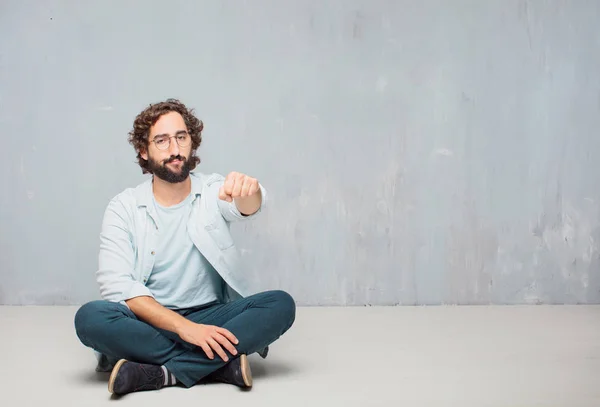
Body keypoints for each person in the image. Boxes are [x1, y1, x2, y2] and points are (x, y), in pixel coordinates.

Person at [74, 99, 296, 396]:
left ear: (192, 142)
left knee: (280, 304)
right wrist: (183, 328)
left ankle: (161, 373)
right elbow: (118, 286)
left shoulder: (212, 190)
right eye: (162, 141)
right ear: (144, 150)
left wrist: (250, 191)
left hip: (212, 316)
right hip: (150, 322)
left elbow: (245, 206)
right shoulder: (124, 207)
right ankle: (219, 366)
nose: (175, 149)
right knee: (90, 318)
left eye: (181, 137)